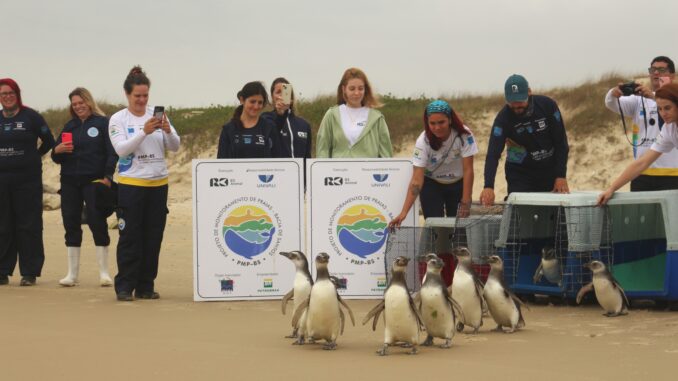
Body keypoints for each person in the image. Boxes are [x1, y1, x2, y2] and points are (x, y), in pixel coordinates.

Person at [108, 66, 180, 301]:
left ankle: (146, 285)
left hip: (158, 185)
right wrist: (144, 132)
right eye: (137, 95)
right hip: (131, 184)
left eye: (145, 95)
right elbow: (121, 149)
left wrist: (167, 130)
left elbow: (175, 146)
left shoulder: (157, 115)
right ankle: (125, 286)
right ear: (127, 94)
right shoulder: (118, 119)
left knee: (153, 237)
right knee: (130, 236)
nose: (141, 100)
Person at [51, 87, 118, 287]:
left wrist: (107, 176)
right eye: (74, 104)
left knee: (97, 222)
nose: (78, 106)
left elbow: (112, 152)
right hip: (70, 181)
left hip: (95, 181)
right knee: (70, 222)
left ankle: (104, 273)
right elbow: (55, 157)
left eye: (81, 102)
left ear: (89, 102)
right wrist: (58, 150)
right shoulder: (69, 126)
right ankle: (72, 275)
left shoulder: (102, 123)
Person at [480, 74, 569, 206]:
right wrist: (488, 186)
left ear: (529, 92)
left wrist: (560, 175)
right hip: (520, 173)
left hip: (549, 170)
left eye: (520, 101)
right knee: (520, 215)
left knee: (553, 218)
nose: (516, 106)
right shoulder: (502, 119)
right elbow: (493, 154)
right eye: (512, 102)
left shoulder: (548, 106)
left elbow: (561, 142)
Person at [0, 78, 55, 286]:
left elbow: (49, 141)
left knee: (28, 224)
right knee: (3, 224)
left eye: (10, 92)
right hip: (2, 180)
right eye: (3, 94)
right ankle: (2, 271)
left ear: (17, 94)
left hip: (27, 180)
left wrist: (34, 156)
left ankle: (29, 272)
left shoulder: (31, 117)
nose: (7, 96)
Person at [389, 100, 477, 228]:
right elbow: (416, 180)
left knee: (459, 230)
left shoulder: (464, 135)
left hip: (457, 183)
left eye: (441, 122)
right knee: (435, 228)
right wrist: (404, 212)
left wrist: (466, 200)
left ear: (450, 120)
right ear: (427, 122)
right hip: (432, 184)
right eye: (432, 123)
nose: (437, 127)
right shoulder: (423, 141)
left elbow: (468, 169)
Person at [604, 56, 678, 191]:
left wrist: (653, 96)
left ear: (672, 75)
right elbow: (611, 104)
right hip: (643, 173)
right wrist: (613, 93)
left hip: (672, 172)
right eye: (653, 70)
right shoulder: (668, 129)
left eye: (661, 70)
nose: (656, 73)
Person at [598, 84, 678, 205]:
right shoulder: (669, 129)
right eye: (659, 109)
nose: (663, 113)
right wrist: (611, 189)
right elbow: (642, 162)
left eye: (667, 108)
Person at [316, 67, 393, 158]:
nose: (356, 93)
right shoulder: (331, 115)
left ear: (365, 89)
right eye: (352, 89)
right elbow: (322, 150)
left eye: (360, 88)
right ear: (344, 89)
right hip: (338, 171)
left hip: (367, 171)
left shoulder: (377, 118)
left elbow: (386, 155)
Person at [217, 81, 280, 158]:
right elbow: (221, 162)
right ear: (242, 100)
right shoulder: (228, 129)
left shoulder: (269, 127)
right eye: (252, 101)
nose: (256, 106)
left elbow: (278, 160)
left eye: (260, 102)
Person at [261, 78, 312, 159]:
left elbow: (307, 156)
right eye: (278, 92)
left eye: (285, 92)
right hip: (278, 170)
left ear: (291, 97)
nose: (281, 95)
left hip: (300, 170)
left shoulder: (304, 125)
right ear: (272, 97)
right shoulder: (266, 118)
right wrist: (280, 114)